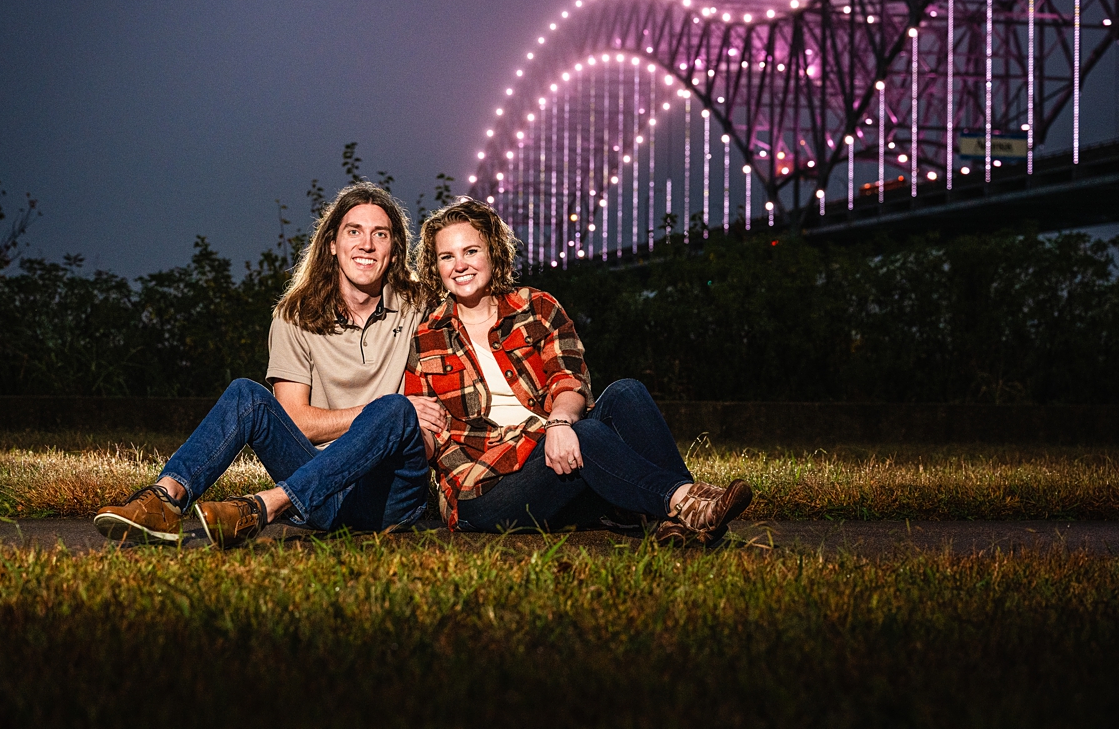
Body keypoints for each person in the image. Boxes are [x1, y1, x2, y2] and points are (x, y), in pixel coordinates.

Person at [95, 183, 446, 547]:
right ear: (332, 244)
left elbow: (471, 297)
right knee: (245, 393)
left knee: (395, 410)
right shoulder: (296, 315)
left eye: (380, 234)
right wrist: (375, 411)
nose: (366, 244)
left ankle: (265, 506)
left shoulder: (418, 304)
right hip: (319, 494)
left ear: (394, 250)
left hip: (386, 497)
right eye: (353, 231)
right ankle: (164, 500)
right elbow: (296, 421)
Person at [404, 199, 751, 547]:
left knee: (625, 393)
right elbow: (429, 439)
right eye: (447, 256)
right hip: (483, 490)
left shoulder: (537, 308)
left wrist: (558, 422)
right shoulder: (425, 338)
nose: (459, 265)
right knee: (586, 433)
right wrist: (408, 426)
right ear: (436, 266)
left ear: (493, 253)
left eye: (471, 251)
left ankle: (675, 519)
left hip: (557, 453)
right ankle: (687, 503)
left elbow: (568, 378)